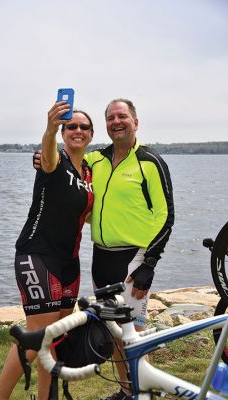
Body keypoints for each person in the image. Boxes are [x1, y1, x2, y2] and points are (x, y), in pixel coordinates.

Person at [34, 98, 174, 400]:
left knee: (132, 334)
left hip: (133, 259)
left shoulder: (150, 161)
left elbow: (166, 216)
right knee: (114, 333)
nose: (116, 122)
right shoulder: (96, 160)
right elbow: (66, 164)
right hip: (101, 257)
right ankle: (127, 391)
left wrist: (149, 263)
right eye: (110, 118)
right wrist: (42, 157)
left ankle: (143, 393)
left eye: (122, 116)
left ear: (135, 122)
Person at [0, 99, 94, 400]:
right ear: (63, 132)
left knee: (56, 338)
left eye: (83, 126)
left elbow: (86, 215)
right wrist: (49, 128)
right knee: (37, 336)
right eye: (70, 126)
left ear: (91, 133)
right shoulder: (54, 160)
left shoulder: (88, 172)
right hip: (37, 255)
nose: (77, 130)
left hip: (69, 262)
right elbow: (46, 155)